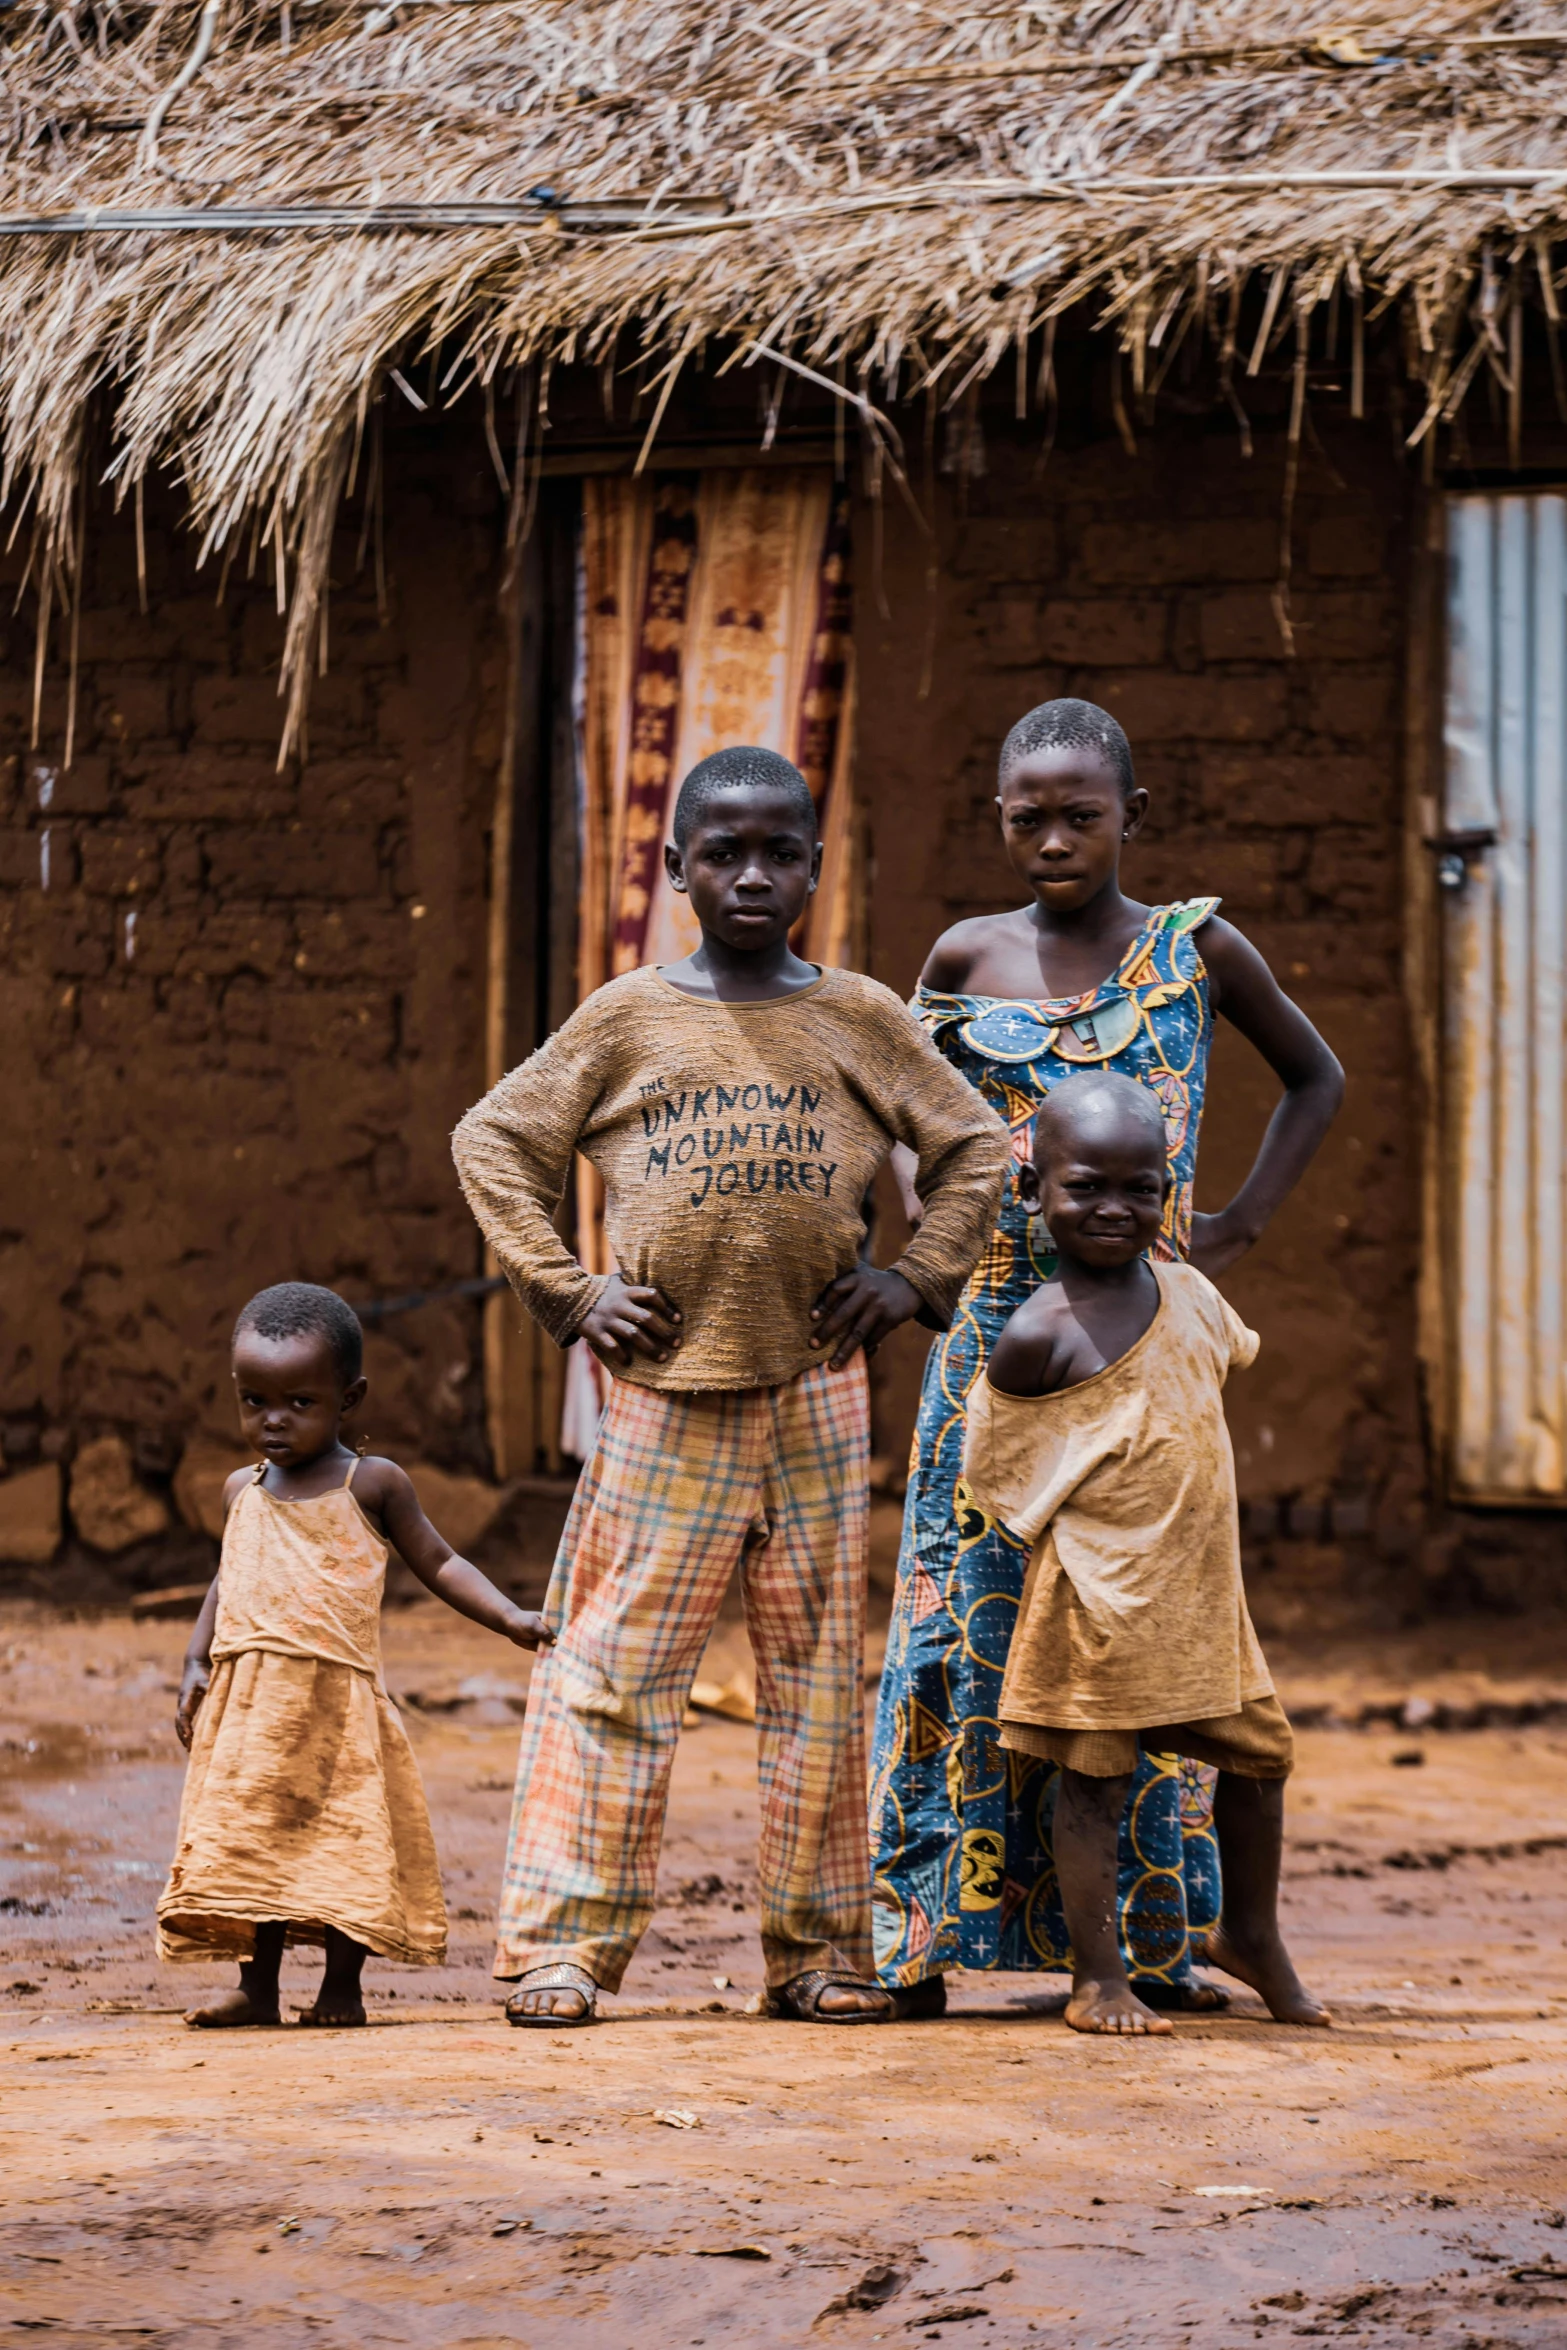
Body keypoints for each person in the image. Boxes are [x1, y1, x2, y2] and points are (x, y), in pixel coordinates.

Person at [452, 746, 1010, 2027]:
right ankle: (563, 1949)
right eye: (724, 853)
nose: (752, 876)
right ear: (675, 869)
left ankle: (816, 1952)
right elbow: (492, 1138)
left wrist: (917, 1277)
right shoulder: (626, 1017)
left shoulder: (862, 1014)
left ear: (816, 866)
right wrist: (570, 1290)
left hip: (816, 1393)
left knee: (816, 1677)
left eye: (779, 854)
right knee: (610, 1671)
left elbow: (975, 1145)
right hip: (664, 1396)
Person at [869, 697, 1343, 2016]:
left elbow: (1317, 1076)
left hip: (1139, 1350)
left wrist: (1232, 1224)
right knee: (966, 1626)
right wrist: (922, 1231)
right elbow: (896, 1108)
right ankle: (923, 1936)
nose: (1052, 840)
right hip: (995, 1347)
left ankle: (1142, 1942)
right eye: (1027, 817)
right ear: (998, 821)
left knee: (1134, 1633)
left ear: (1129, 817)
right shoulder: (963, 956)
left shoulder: (1192, 951)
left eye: (1080, 815)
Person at [965, 1071, 1329, 2034]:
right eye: (1085, 1186)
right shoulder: (1037, 1333)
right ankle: (1098, 1978)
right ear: (1034, 1191)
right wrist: (1092, 1535)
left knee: (1261, 1760)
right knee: (1093, 1783)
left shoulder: (1192, 1294)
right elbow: (997, 1470)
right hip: (1095, 1602)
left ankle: (1248, 1934)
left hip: (1202, 1600)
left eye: (1141, 1189)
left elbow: (1216, 1368)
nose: (1114, 1209)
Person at [159, 1281, 553, 2028]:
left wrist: (508, 1617)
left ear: (349, 1398)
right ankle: (258, 1987)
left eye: (300, 1403)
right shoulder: (239, 1489)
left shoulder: (370, 1483)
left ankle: (341, 1988)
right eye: (254, 1401)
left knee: (347, 1837)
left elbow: (438, 1562)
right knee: (252, 1843)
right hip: (249, 1710)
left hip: (337, 1705)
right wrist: (193, 1661)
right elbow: (227, 1576)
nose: (273, 1421)